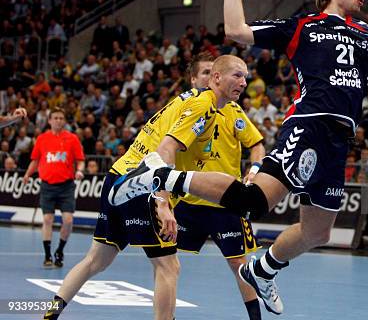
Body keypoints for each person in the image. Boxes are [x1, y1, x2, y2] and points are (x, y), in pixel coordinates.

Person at [109, 0, 368, 315]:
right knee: (253, 201)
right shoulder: (303, 27)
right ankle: (161, 177)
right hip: (309, 125)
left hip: (339, 140)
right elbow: (235, 30)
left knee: (318, 232)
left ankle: (264, 269)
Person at [43, 55, 248, 320]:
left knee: (97, 260)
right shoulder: (203, 105)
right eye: (236, 75)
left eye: (245, 76)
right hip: (142, 183)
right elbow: (165, 150)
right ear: (210, 78)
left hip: (117, 174)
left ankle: (49, 315)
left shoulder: (191, 102)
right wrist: (162, 203)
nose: (243, 82)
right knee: (168, 267)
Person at [171, 53, 265, 319]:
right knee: (166, 259)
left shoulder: (233, 111)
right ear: (194, 79)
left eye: (213, 72)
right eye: (204, 73)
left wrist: (255, 169)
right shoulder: (183, 110)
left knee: (239, 265)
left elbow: (256, 144)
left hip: (226, 203)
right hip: (188, 200)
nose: (210, 78)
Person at [22, 108, 85, 268]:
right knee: (47, 219)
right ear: (49, 121)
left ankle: (60, 251)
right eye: (55, 118)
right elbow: (35, 160)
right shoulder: (42, 139)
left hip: (66, 186)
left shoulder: (72, 139)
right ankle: (48, 255)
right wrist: (28, 174)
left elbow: (80, 160)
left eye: (61, 118)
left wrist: (79, 170)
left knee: (68, 220)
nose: (58, 120)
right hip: (47, 186)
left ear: (64, 121)